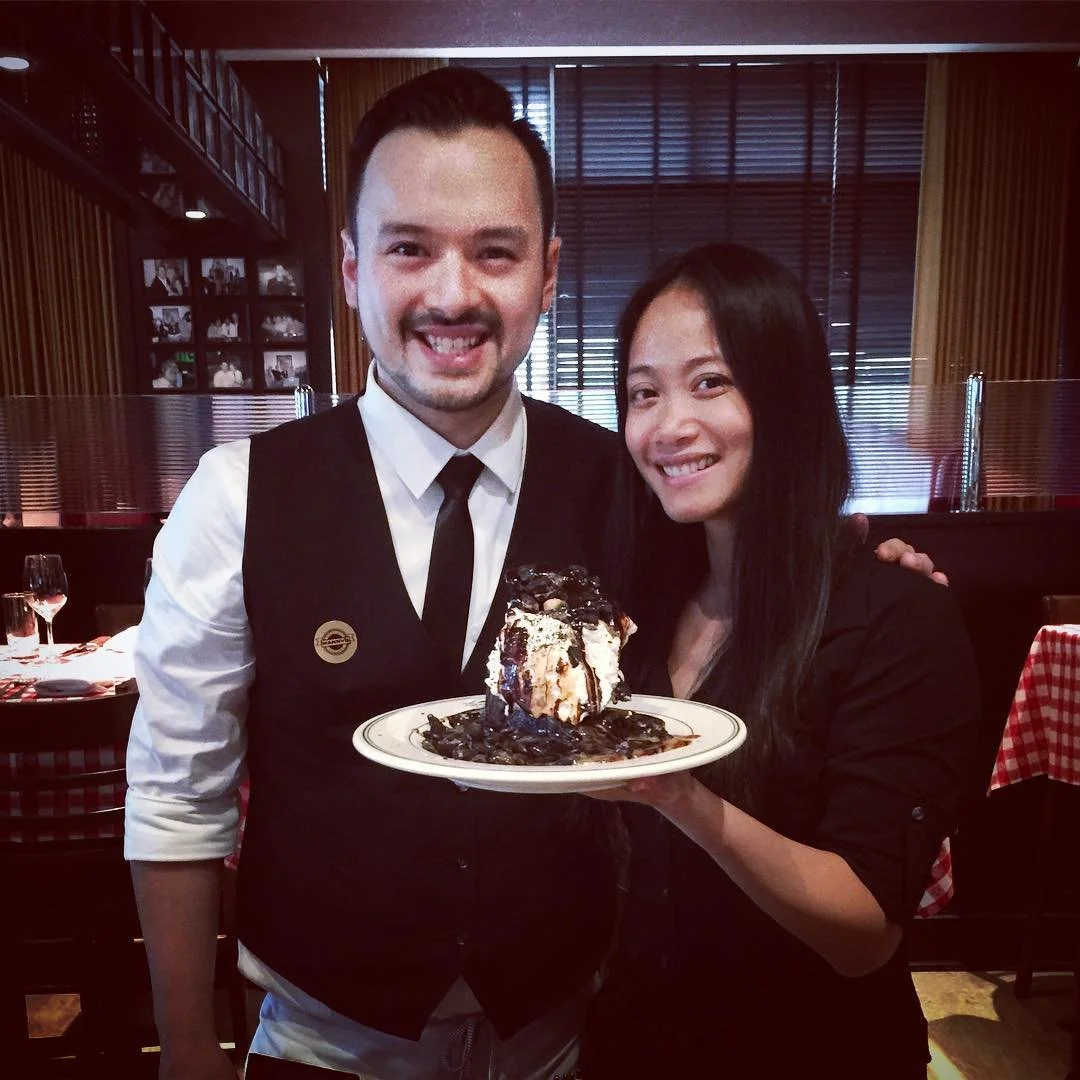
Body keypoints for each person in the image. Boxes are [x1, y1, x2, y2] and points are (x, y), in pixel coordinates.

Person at [125, 69, 943, 1080]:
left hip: (565, 1040)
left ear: (548, 277)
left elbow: (755, 572)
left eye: (495, 252)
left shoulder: (626, 483)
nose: (453, 293)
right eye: (409, 248)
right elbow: (177, 792)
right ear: (350, 269)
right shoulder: (236, 496)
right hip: (325, 1043)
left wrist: (865, 565)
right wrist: (188, 1046)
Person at [579, 243, 979, 1078]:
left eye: (710, 381)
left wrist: (679, 796)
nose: (669, 424)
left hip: (813, 1050)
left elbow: (865, 934)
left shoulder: (896, 616)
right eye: (642, 393)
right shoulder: (640, 614)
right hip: (635, 1046)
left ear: (788, 397)